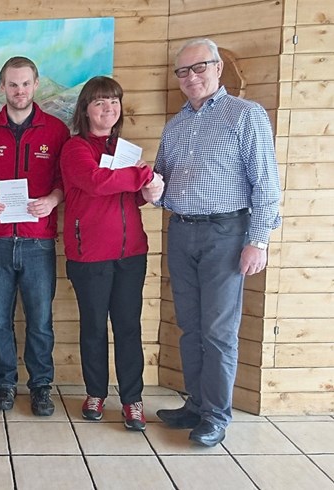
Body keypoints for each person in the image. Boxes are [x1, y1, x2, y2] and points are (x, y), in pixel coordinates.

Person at [154, 38, 281, 447]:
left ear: (218, 68)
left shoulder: (245, 115)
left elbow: (266, 185)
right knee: (190, 326)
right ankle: (195, 404)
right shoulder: (174, 126)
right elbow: (161, 180)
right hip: (181, 230)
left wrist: (258, 240)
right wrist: (150, 189)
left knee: (219, 331)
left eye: (199, 68)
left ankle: (215, 416)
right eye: (183, 71)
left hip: (227, 234)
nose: (191, 77)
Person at [60, 76, 165, 431]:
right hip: (89, 256)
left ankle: (132, 399)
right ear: (86, 109)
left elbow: (130, 196)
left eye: (114, 101)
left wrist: (146, 189)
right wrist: (142, 174)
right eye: (100, 102)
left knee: (128, 327)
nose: (108, 108)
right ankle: (95, 394)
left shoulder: (126, 150)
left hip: (131, 253)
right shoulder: (75, 149)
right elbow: (96, 181)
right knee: (93, 327)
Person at [0, 56, 69, 416]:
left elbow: (65, 180)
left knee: (40, 322)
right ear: (3, 87)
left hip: (38, 243)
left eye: (26, 83)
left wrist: (52, 200)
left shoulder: (56, 131)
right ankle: (5, 384)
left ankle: (41, 387)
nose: (19, 90)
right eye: (12, 84)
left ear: (36, 84)